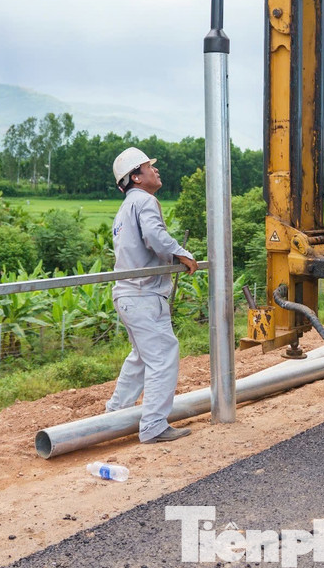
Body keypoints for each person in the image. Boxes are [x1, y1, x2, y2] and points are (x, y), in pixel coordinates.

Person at [104, 146, 200, 442]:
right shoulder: (145, 201)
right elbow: (155, 236)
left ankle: (113, 416)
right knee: (162, 356)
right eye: (149, 167)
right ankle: (154, 426)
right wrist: (182, 254)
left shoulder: (125, 209)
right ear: (135, 177)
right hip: (144, 294)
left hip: (129, 295)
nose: (155, 170)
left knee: (142, 358)